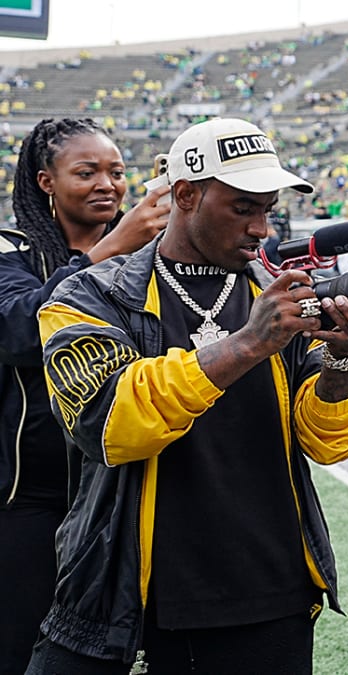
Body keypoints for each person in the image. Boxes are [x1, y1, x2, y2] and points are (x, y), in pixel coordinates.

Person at [27, 117, 348, 674]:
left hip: (273, 597)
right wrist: (246, 344)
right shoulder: (89, 294)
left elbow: (329, 443)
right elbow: (110, 424)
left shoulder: (272, 295)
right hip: (133, 602)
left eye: (267, 209)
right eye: (243, 208)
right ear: (186, 195)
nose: (261, 229)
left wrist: (342, 361)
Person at [0, 118, 169, 675]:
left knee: (117, 653)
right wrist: (114, 248)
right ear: (46, 181)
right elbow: (19, 330)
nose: (108, 184)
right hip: (28, 496)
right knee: (22, 646)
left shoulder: (150, 255)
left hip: (118, 487)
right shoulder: (12, 250)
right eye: (87, 171)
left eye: (117, 172)